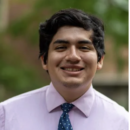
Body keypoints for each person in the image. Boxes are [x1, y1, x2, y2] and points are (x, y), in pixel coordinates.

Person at [0, 8, 128, 130]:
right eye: (61, 47)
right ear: (44, 60)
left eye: (84, 47)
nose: (73, 56)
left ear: (100, 60)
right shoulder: (7, 116)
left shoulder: (121, 122)